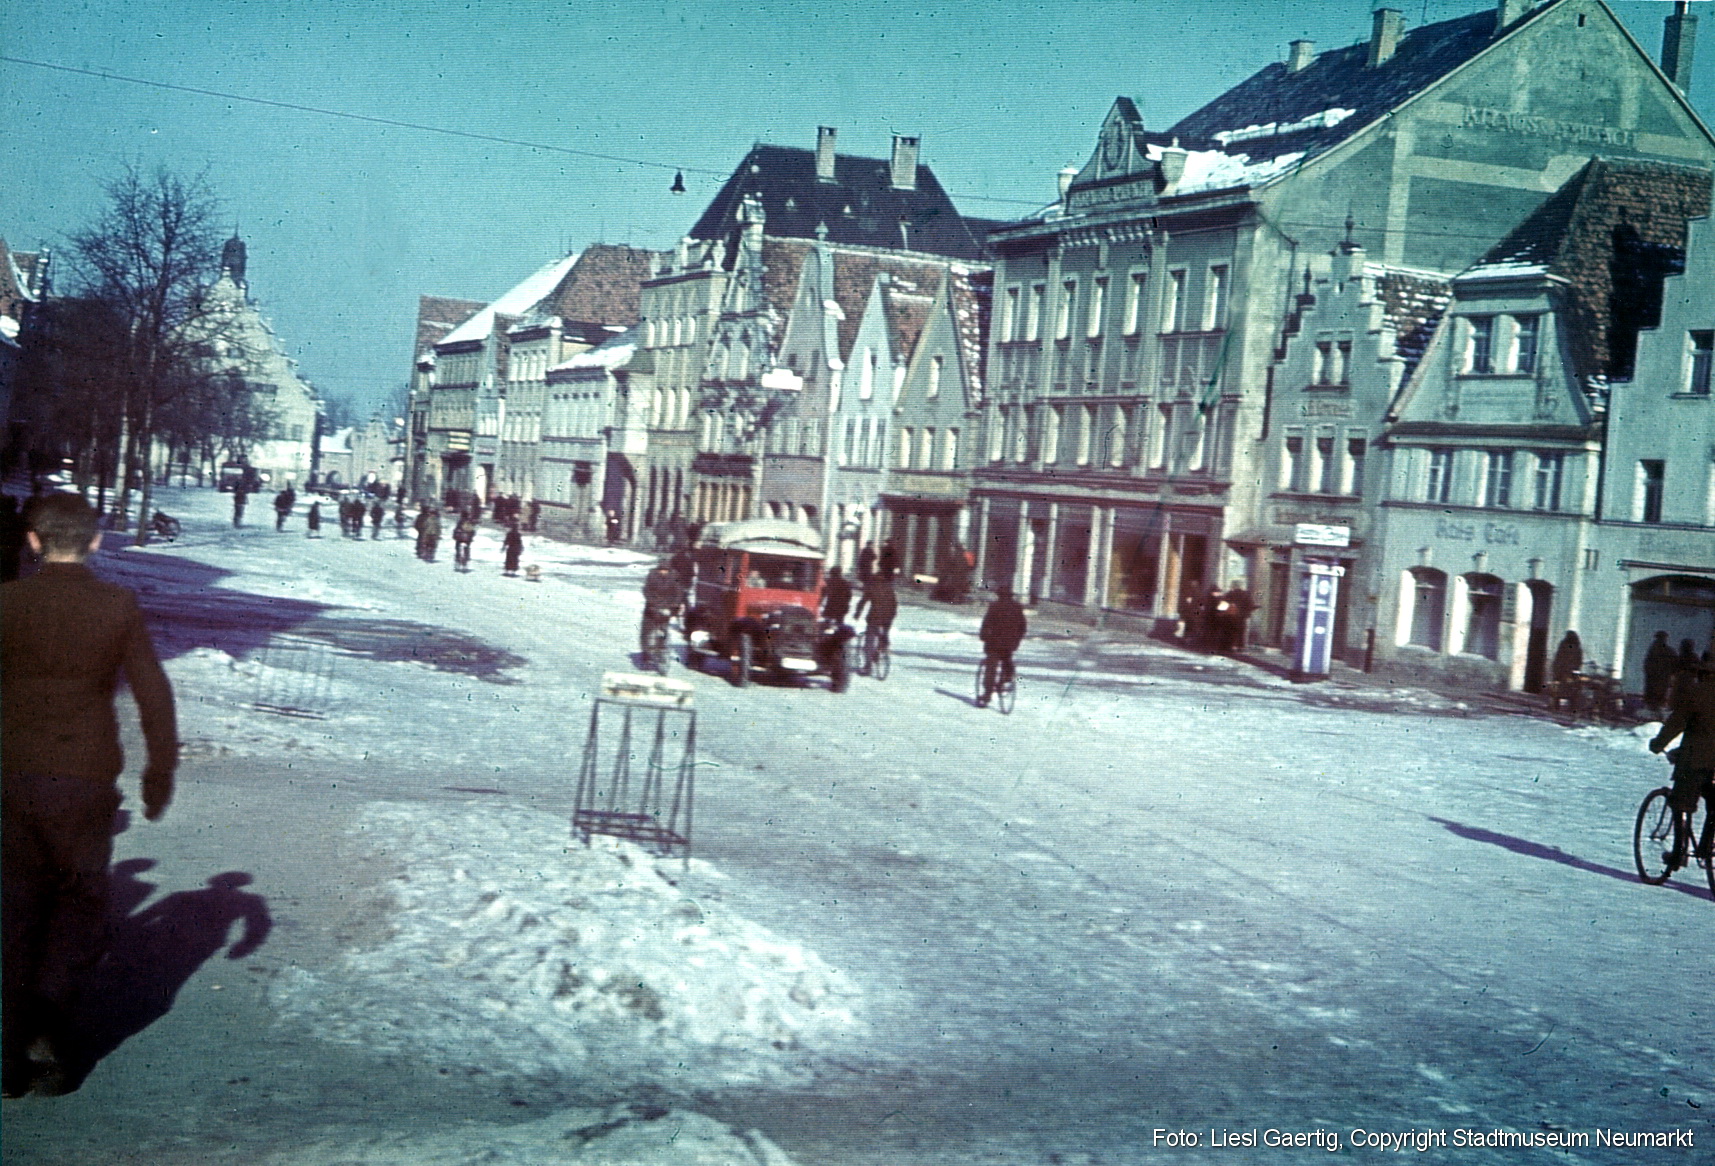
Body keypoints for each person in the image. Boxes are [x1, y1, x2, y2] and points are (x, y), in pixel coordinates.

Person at [2, 495, 177, 1098]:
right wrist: (160, 774)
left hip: (10, 777)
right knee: (78, 903)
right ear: (97, 541)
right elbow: (153, 692)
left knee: (15, 908)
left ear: (32, 541)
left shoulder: (6, 602)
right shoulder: (116, 606)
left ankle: (8, 1047)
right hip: (83, 778)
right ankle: (47, 1025)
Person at [1648, 656, 1715, 868]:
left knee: (1680, 804)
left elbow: (1676, 723)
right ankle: (1706, 846)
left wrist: (1658, 743)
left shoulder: (1696, 693)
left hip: (1694, 761)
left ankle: (1678, 854)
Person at [978, 586, 1028, 706]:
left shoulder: (995, 606)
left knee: (991, 668)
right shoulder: (1017, 607)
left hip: (994, 643)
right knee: (1007, 658)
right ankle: (1007, 677)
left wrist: (984, 636)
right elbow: (1023, 627)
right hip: (1009, 643)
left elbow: (987, 624)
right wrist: (1017, 639)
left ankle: (987, 694)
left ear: (999, 595)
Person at [640, 561, 682, 650]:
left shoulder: (674, 576)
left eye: (666, 570)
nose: (663, 572)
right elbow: (646, 589)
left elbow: (678, 591)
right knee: (647, 628)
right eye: (661, 570)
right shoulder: (652, 575)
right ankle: (646, 650)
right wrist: (652, 601)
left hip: (667, 605)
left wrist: (675, 603)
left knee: (663, 627)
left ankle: (661, 647)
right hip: (652, 605)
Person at [854, 572, 897, 657]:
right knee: (884, 633)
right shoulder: (889, 588)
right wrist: (892, 616)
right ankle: (882, 646)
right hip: (888, 617)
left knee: (870, 638)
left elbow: (863, 601)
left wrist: (857, 613)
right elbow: (894, 604)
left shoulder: (872, 588)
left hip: (874, 617)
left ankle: (868, 664)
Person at [1643, 631, 1679, 713]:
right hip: (1658, 680)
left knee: (1655, 699)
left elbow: (1647, 665)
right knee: (1656, 699)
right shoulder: (1664, 650)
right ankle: (1654, 713)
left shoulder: (1655, 650)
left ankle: (1654, 713)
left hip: (1658, 679)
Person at [1550, 630, 1583, 713]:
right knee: (1573, 690)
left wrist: (1555, 670)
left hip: (1561, 671)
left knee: (1558, 690)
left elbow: (1559, 657)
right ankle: (1572, 707)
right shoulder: (1577, 647)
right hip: (1572, 673)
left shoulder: (1563, 645)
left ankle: (1556, 706)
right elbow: (1579, 660)